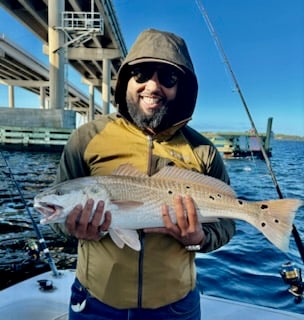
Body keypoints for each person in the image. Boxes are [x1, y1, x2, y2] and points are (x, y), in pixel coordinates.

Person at [54, 28, 235, 320]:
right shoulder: (86, 138)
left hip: (176, 305)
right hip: (95, 301)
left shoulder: (203, 150)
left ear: (181, 87)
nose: (152, 86)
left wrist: (199, 237)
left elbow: (227, 223)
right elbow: (57, 212)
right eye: (141, 74)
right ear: (126, 78)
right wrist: (71, 228)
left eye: (168, 78)